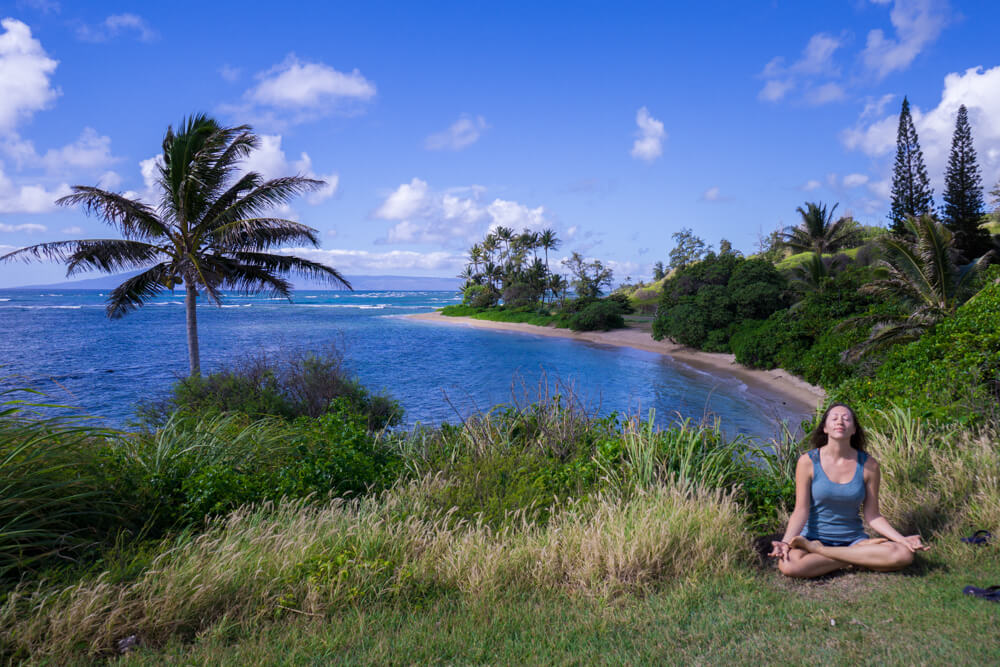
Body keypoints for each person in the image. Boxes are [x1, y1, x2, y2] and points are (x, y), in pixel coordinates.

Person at [769, 402, 929, 578]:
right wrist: (785, 542)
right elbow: (800, 510)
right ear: (825, 428)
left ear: (853, 430)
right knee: (789, 566)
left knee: (904, 554)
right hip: (813, 537)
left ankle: (823, 552)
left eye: (846, 419)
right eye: (834, 418)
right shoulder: (808, 462)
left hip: (852, 539)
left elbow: (873, 515)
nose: (840, 422)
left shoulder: (869, 465)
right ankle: (858, 556)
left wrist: (901, 539)